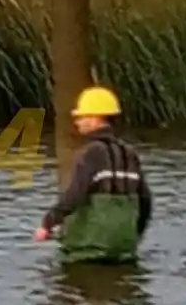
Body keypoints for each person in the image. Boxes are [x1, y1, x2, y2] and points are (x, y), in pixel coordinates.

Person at [34, 85, 152, 263]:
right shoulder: (129, 153)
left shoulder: (90, 153)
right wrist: (135, 234)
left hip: (91, 246)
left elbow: (75, 195)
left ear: (96, 118)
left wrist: (48, 223)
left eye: (82, 116)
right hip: (124, 245)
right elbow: (145, 199)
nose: (78, 121)